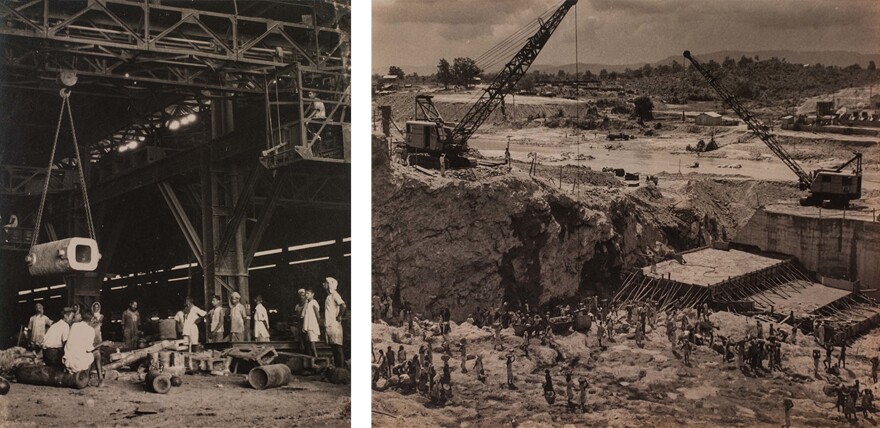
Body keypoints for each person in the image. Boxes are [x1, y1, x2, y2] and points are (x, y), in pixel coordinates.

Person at [323, 277, 347, 368]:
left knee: (338, 347)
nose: (324, 284)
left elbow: (343, 305)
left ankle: (341, 369)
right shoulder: (328, 297)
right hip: (329, 324)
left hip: (334, 324)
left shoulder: (335, 295)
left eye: (325, 283)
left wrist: (339, 315)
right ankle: (337, 368)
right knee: (334, 347)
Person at [302, 289, 321, 358]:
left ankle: (316, 357)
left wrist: (317, 324)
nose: (306, 295)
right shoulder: (307, 303)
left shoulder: (314, 302)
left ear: (312, 294)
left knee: (312, 343)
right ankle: (312, 357)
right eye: (306, 294)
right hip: (308, 325)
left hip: (312, 325)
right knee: (309, 343)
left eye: (308, 293)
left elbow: (317, 315)